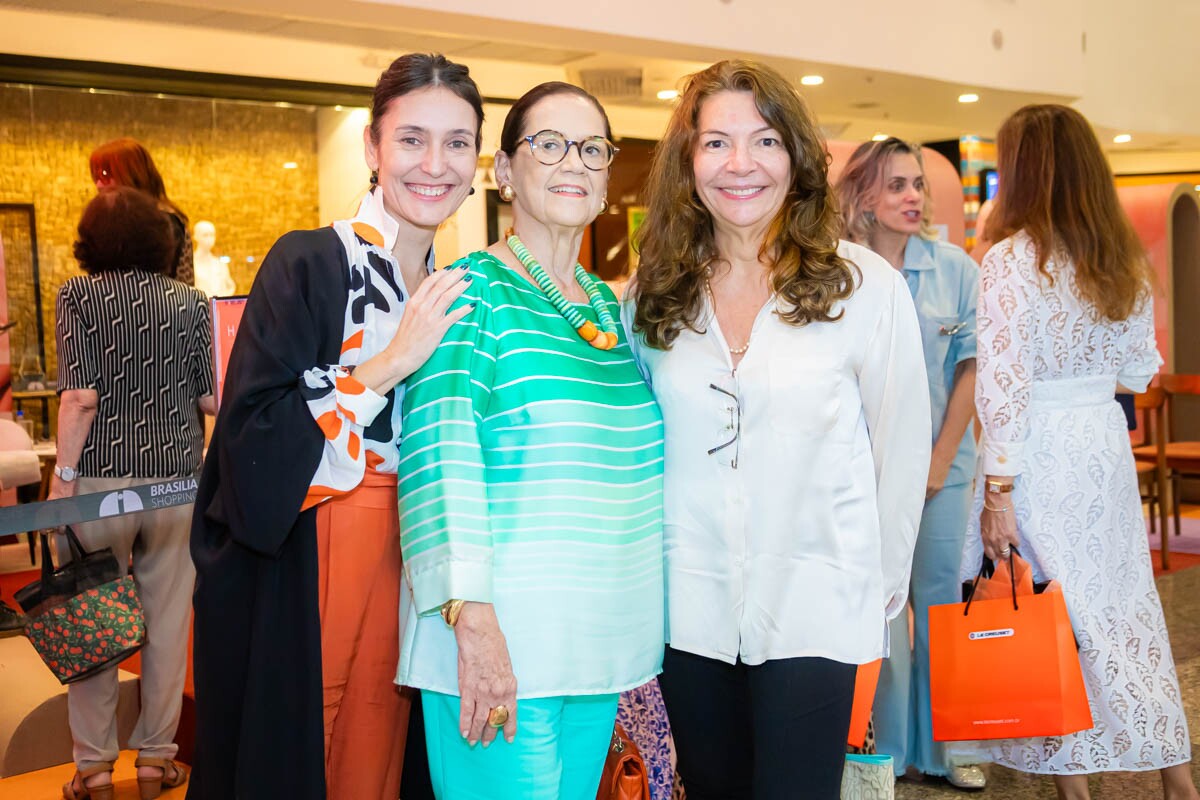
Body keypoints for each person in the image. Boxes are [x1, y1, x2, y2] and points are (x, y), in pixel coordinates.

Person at [625, 60, 931, 798]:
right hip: (686, 608)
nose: (740, 165)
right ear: (687, 162)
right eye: (716, 143)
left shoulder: (864, 288)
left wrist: (883, 591)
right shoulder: (653, 294)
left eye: (764, 142)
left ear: (795, 157)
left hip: (815, 605)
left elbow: (901, 446)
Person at [188, 53, 480, 800]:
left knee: (380, 751)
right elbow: (249, 435)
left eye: (457, 142)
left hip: (415, 550)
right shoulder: (312, 262)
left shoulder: (461, 286)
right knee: (304, 747)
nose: (434, 164)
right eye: (412, 139)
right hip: (316, 548)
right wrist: (386, 363)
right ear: (373, 149)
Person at [396, 81, 664, 800]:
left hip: (595, 647)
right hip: (496, 649)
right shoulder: (467, 292)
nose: (571, 161)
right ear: (505, 173)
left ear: (608, 177)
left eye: (591, 148)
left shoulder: (610, 310)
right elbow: (436, 461)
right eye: (547, 144)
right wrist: (474, 626)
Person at [965, 103, 1198, 800]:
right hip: (1102, 445)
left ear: (1024, 172)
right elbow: (1139, 370)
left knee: (1054, 617)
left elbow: (1001, 385)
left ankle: (1077, 791)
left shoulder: (1009, 260)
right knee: (1125, 612)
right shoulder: (1115, 255)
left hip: (1036, 453)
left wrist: (997, 491)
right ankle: (1178, 780)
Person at [50, 186, 214, 800]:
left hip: (97, 485)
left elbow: (80, 397)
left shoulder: (79, 294)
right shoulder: (191, 302)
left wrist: (63, 477)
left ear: (91, 244)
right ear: (159, 241)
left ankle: (94, 770)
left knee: (91, 620)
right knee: (168, 625)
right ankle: (155, 760)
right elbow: (209, 399)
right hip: (176, 483)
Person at [836, 137, 984, 789]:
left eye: (917, 184)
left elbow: (970, 371)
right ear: (863, 196)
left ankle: (949, 751)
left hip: (944, 465)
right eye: (896, 185)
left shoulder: (956, 269)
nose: (913, 197)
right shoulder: (839, 272)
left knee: (941, 605)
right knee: (884, 611)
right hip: (860, 470)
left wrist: (938, 461)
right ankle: (889, 752)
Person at [89, 138, 193, 285]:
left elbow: (158, 290)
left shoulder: (165, 222)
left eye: (105, 175)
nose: (99, 185)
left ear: (132, 175)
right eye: (96, 177)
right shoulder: (109, 221)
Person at [191, 220, 236, 297]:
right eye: (205, 235)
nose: (210, 239)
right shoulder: (191, 263)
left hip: (219, 306)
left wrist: (223, 297)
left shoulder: (219, 264)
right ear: (196, 236)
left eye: (212, 235)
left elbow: (231, 286)